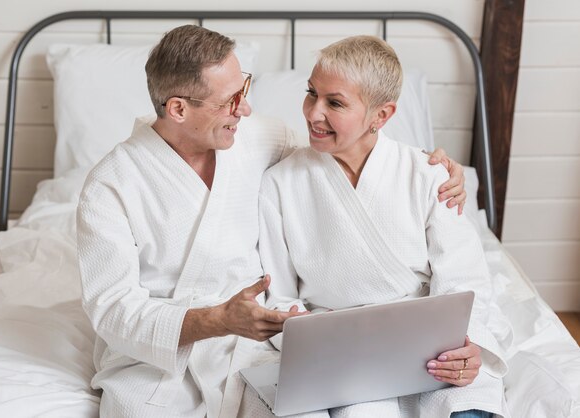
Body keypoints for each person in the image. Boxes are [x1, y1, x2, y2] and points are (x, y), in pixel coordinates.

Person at [77, 26, 468, 418]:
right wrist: (216, 320)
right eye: (230, 101)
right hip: (156, 363)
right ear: (178, 109)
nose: (244, 110)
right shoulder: (110, 185)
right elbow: (112, 311)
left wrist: (425, 168)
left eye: (243, 89)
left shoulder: (259, 138)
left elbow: (330, 166)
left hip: (251, 351)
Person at [257, 36, 511, 417]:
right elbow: (279, 295)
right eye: (311, 93)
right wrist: (315, 336)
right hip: (342, 351)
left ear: (381, 116)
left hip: (433, 348)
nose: (312, 113)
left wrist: (465, 347)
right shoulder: (280, 183)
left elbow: (465, 282)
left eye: (335, 103)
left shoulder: (428, 176)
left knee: (468, 407)